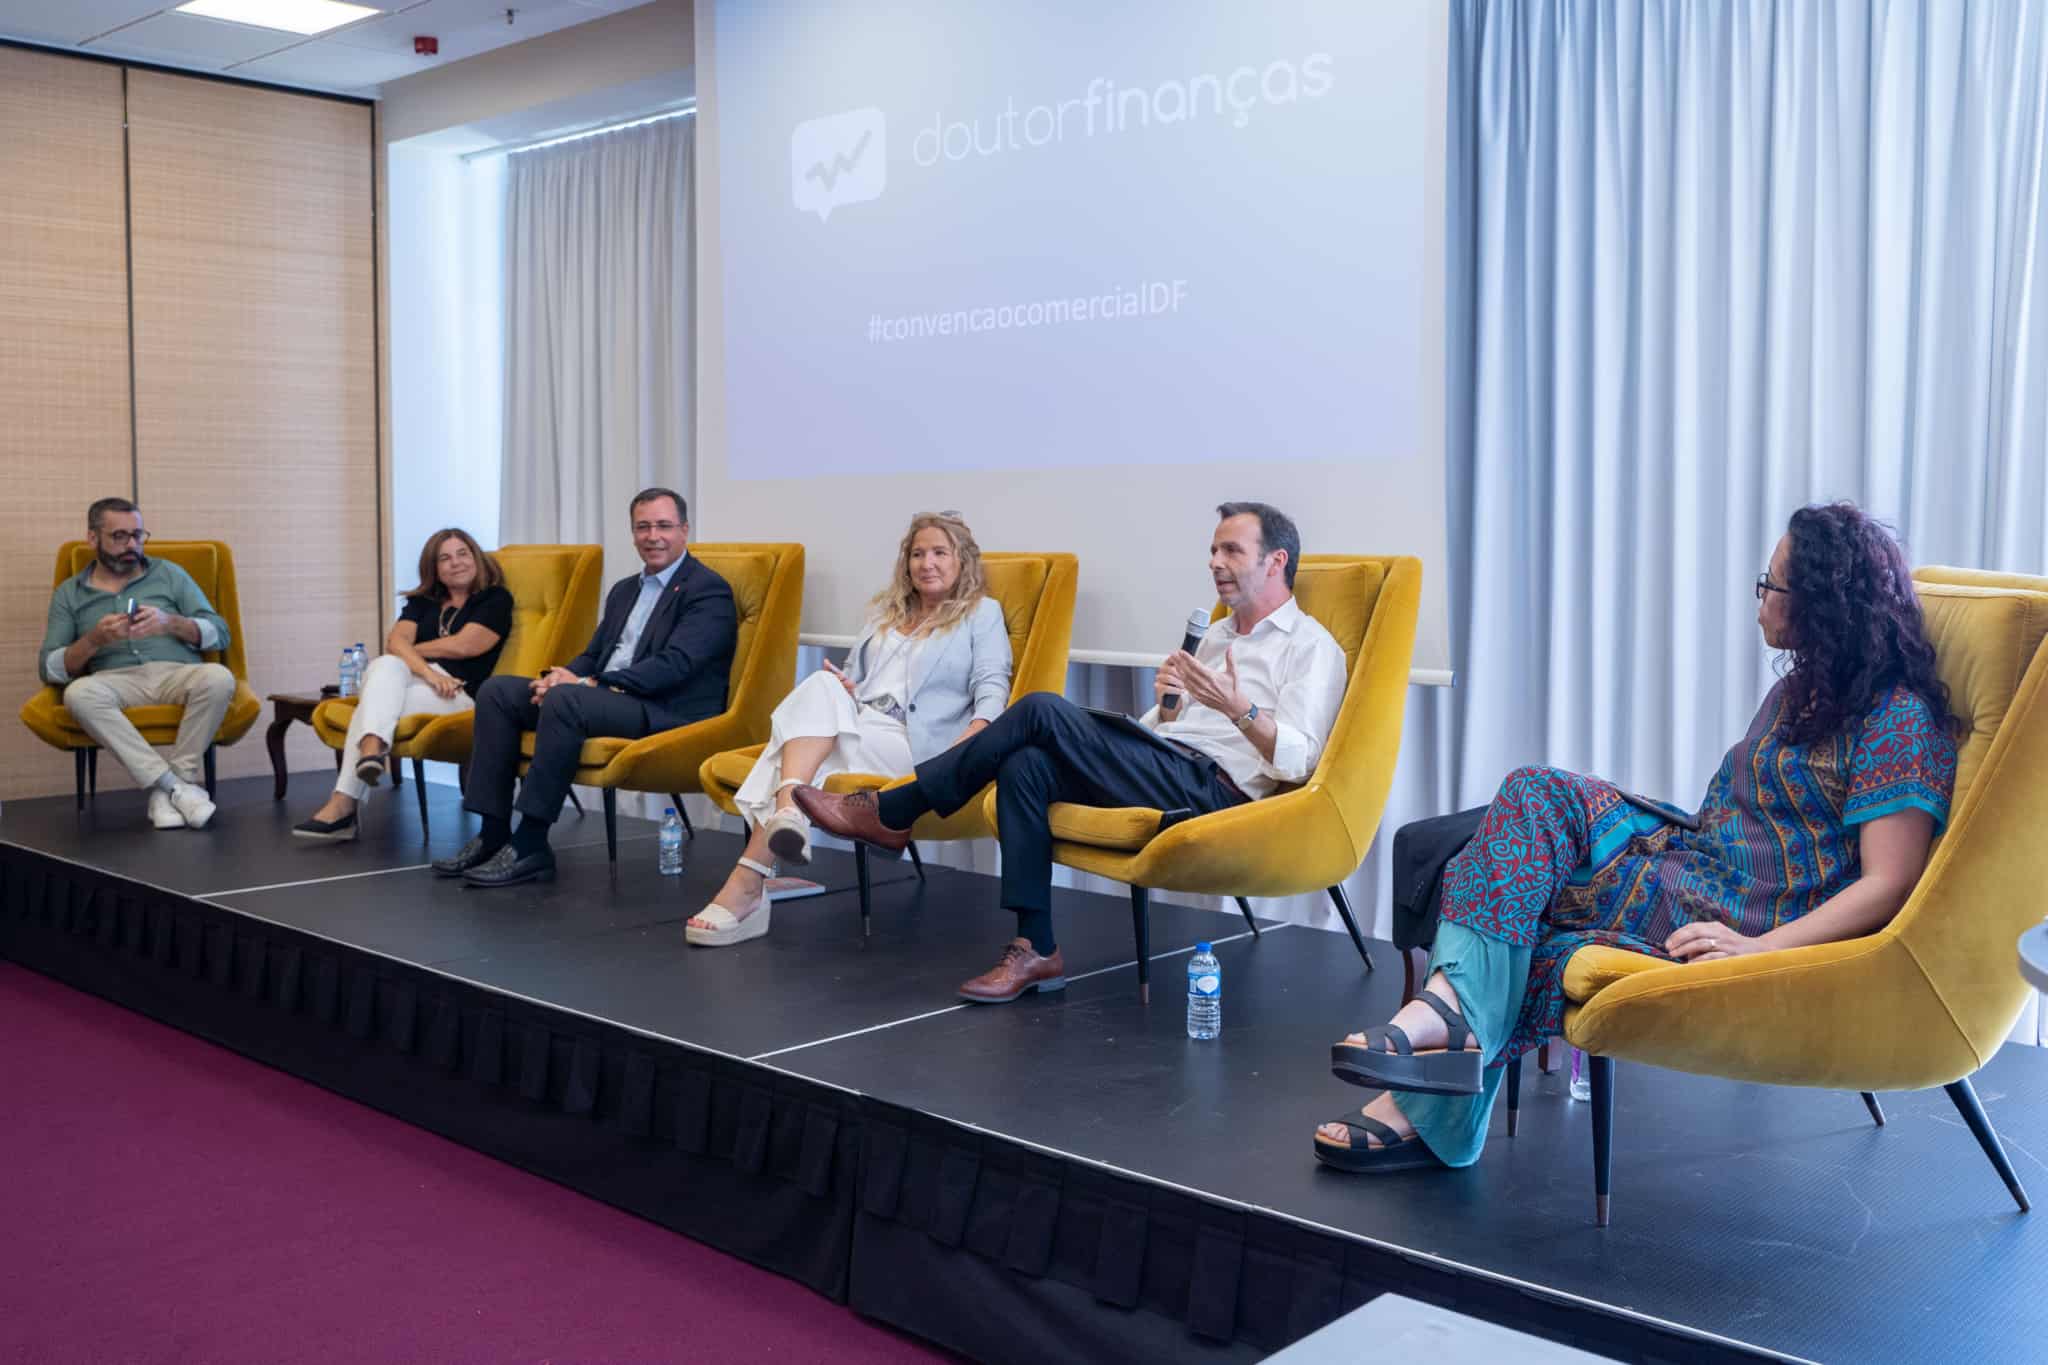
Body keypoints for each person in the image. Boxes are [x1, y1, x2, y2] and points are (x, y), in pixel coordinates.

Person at [1314, 503, 1960, 1172]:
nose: (1760, 599)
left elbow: (1890, 883)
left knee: (1537, 905)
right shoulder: (1809, 689)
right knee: (1534, 794)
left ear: (1821, 607)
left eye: (1770, 585)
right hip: (1696, 856)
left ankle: (1430, 1082)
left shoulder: (1898, 721)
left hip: (1742, 908)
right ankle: (1446, 1018)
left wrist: (1759, 947)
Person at [795, 502, 1348, 1001]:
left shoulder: (1311, 646)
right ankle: (1037, 947)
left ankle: (894, 810)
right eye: (1212, 549)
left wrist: (1240, 710)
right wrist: (1169, 709)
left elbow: (1299, 758)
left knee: (1039, 708)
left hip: (1217, 792)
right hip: (1167, 762)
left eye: (1231, 550)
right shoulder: (1217, 637)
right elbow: (1169, 729)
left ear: (1276, 562)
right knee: (1025, 764)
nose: (1214, 562)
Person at [688, 511, 1012, 947]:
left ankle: (752, 876)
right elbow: (852, 677)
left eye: (939, 552)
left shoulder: (981, 614)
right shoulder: (886, 613)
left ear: (962, 561)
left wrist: (974, 737)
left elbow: (992, 683)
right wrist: (847, 688)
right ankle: (767, 853)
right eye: (917, 553)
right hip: (859, 722)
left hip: (910, 741)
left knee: (798, 750)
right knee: (823, 684)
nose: (926, 563)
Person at [433, 488, 737, 888]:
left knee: (567, 699)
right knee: (498, 691)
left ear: (684, 529)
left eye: (663, 525)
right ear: (632, 534)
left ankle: (531, 844)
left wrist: (589, 683)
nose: (653, 536)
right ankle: (493, 833)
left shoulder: (706, 589)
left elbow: (675, 666)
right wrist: (557, 677)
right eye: (643, 527)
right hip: (603, 697)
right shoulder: (626, 589)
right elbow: (595, 654)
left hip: (664, 708)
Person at [293, 529, 513, 841]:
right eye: (445, 558)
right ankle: (371, 752)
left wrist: (412, 653)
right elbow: (392, 642)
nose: (456, 563)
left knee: (376, 694)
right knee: (383, 664)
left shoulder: (495, 598)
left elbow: (466, 646)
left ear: (476, 557)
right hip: (425, 681)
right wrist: (429, 672)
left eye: (463, 553)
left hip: (458, 692)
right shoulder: (423, 601)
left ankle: (345, 802)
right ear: (434, 569)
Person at [38, 497, 237, 831]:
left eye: (138, 535)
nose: (131, 545)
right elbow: (50, 667)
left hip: (176, 673)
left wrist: (171, 623)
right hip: (115, 680)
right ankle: (175, 788)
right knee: (79, 694)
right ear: (92, 539)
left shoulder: (171, 575)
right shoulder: (69, 594)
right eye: (119, 537)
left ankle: (171, 787)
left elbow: (220, 633)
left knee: (218, 677)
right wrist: (93, 641)